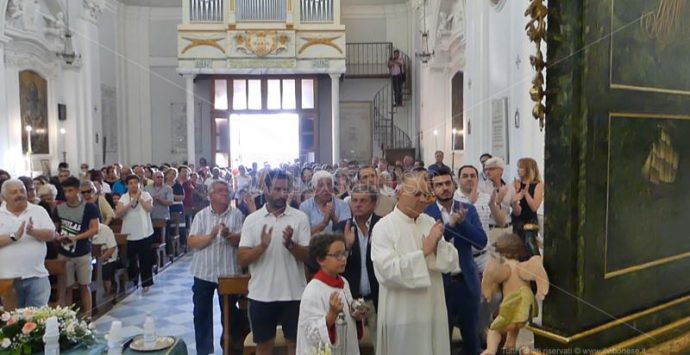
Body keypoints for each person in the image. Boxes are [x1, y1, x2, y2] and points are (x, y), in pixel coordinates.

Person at [371, 171, 459, 355]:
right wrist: (424, 250)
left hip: (433, 308)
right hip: (402, 314)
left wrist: (436, 247)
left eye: (425, 194)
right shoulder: (383, 227)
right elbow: (387, 271)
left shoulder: (428, 222)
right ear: (398, 193)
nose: (422, 200)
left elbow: (451, 261)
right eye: (416, 194)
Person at [238, 169, 312, 355]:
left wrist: (291, 245)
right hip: (261, 295)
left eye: (286, 190)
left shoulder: (299, 217)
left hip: (294, 294)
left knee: (296, 347)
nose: (282, 194)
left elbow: (309, 257)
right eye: (277, 189)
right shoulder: (252, 220)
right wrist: (261, 247)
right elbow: (242, 259)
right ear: (266, 189)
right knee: (263, 348)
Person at [424, 168, 487, 355]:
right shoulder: (426, 213)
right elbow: (434, 245)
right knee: (441, 341)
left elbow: (480, 241)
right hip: (440, 285)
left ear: (454, 185)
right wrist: (450, 225)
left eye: (447, 183)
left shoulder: (467, 209)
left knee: (472, 340)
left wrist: (463, 223)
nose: (444, 188)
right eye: (439, 185)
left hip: (466, 282)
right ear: (432, 189)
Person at [188, 180, 248, 355]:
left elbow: (243, 240)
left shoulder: (237, 214)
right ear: (210, 195)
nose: (225, 194)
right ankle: (204, 350)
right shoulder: (201, 215)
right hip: (204, 273)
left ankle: (229, 350)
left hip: (229, 273)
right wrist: (211, 236)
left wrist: (229, 235)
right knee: (201, 314)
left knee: (229, 316)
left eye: (227, 191)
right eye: (220, 191)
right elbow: (192, 242)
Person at [297, 234, 366, 355]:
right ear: (320, 259)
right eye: (337, 255)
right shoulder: (313, 290)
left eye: (344, 253)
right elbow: (311, 334)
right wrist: (332, 314)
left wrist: (356, 312)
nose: (343, 259)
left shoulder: (344, 283)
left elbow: (348, 311)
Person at [0, 179, 56, 308]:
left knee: (39, 320)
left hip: (36, 275)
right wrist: (13, 237)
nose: (19, 194)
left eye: (22, 191)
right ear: (4, 197)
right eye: (14, 192)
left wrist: (33, 232)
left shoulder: (38, 210)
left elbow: (51, 234)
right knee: (12, 321)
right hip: (7, 279)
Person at [337, 184, 382, 345]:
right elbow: (334, 265)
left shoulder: (383, 226)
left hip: (378, 297)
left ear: (374, 203)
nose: (357, 204)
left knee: (382, 346)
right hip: (351, 299)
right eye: (354, 200)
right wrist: (347, 247)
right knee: (348, 346)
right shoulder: (342, 227)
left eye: (363, 200)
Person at [55, 176, 100, 319]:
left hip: (82, 252)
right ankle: (68, 318)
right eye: (65, 191)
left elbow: (95, 228)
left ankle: (88, 316)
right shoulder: (59, 208)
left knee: (84, 285)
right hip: (65, 252)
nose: (68, 194)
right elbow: (55, 228)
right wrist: (58, 236)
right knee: (67, 287)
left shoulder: (89, 207)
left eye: (71, 190)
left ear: (78, 190)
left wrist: (76, 237)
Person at [115, 175, 155, 292]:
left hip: (144, 232)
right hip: (129, 233)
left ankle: (146, 283)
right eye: (131, 183)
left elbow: (149, 209)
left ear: (139, 184)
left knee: (145, 260)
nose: (133, 185)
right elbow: (118, 213)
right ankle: (133, 280)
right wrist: (131, 202)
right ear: (127, 185)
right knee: (131, 260)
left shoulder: (146, 195)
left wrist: (139, 199)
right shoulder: (123, 197)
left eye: (135, 183)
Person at [510, 158, 544, 258]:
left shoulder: (538, 185)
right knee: (518, 249)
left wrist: (526, 194)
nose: (518, 170)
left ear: (528, 169)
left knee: (529, 244)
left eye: (520, 167)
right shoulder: (515, 183)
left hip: (530, 220)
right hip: (517, 219)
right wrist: (517, 192)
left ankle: (536, 265)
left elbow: (534, 207)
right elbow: (513, 201)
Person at [300, 171, 351, 235]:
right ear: (314, 188)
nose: (325, 189)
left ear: (332, 188)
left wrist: (334, 218)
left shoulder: (343, 205)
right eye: (321, 185)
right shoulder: (305, 206)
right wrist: (324, 223)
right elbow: (303, 235)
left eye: (329, 185)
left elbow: (347, 234)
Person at [91, 223, 118, 295]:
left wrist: (100, 261)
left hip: (108, 258)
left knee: (106, 269)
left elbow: (112, 247)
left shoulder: (105, 229)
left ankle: (108, 292)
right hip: (91, 259)